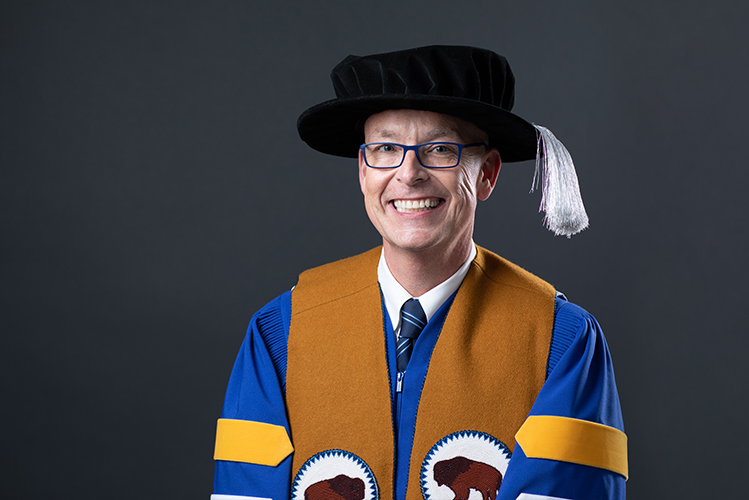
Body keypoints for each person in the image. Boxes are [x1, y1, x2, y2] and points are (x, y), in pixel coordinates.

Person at [211, 45, 627, 500]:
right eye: (385, 148)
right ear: (362, 171)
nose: (408, 174)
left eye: (441, 149)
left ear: (487, 173)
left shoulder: (560, 342)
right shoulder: (279, 335)